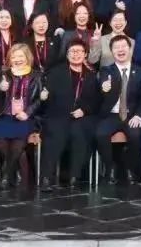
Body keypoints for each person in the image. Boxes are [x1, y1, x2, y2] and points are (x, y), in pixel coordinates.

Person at [38, 38, 100, 191]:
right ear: (67, 55)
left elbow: (96, 100)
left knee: (79, 133)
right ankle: (46, 177)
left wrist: (84, 110)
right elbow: (48, 97)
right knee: (56, 134)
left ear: (85, 54)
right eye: (72, 51)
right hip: (58, 114)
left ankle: (74, 176)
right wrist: (44, 97)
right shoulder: (56, 72)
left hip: (81, 116)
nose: (76, 54)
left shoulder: (91, 75)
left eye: (79, 51)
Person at [94, 35, 141, 185]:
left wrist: (138, 115)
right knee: (100, 134)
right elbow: (103, 85)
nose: (120, 50)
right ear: (112, 51)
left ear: (130, 49)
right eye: (116, 47)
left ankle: (129, 168)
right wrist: (104, 87)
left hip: (131, 115)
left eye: (123, 46)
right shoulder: (106, 70)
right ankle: (110, 167)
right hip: (111, 114)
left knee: (136, 135)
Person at [0, 44, 42, 190]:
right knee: (1, 140)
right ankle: (13, 170)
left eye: (20, 56)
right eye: (13, 56)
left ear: (27, 58)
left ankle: (7, 175)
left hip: (26, 117)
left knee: (18, 141)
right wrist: (0, 90)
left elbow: (40, 99)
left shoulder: (36, 75)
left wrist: (27, 112)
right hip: (5, 116)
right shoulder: (4, 74)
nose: (17, 59)